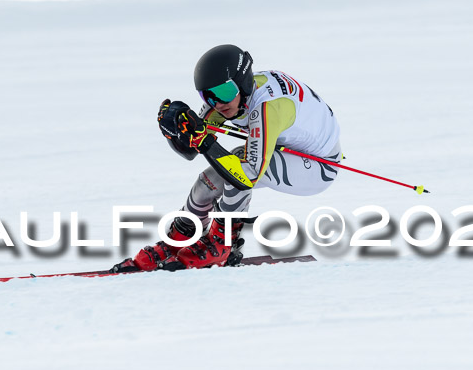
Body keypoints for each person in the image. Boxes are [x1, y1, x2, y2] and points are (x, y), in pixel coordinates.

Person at [112, 44, 341, 272]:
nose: (217, 103)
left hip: (319, 165)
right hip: (288, 148)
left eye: (223, 92)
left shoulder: (267, 107)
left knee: (236, 169)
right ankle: (183, 238)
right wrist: (174, 132)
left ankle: (221, 245)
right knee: (209, 179)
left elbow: (246, 176)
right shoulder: (230, 97)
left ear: (242, 83)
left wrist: (206, 142)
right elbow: (191, 151)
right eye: (207, 96)